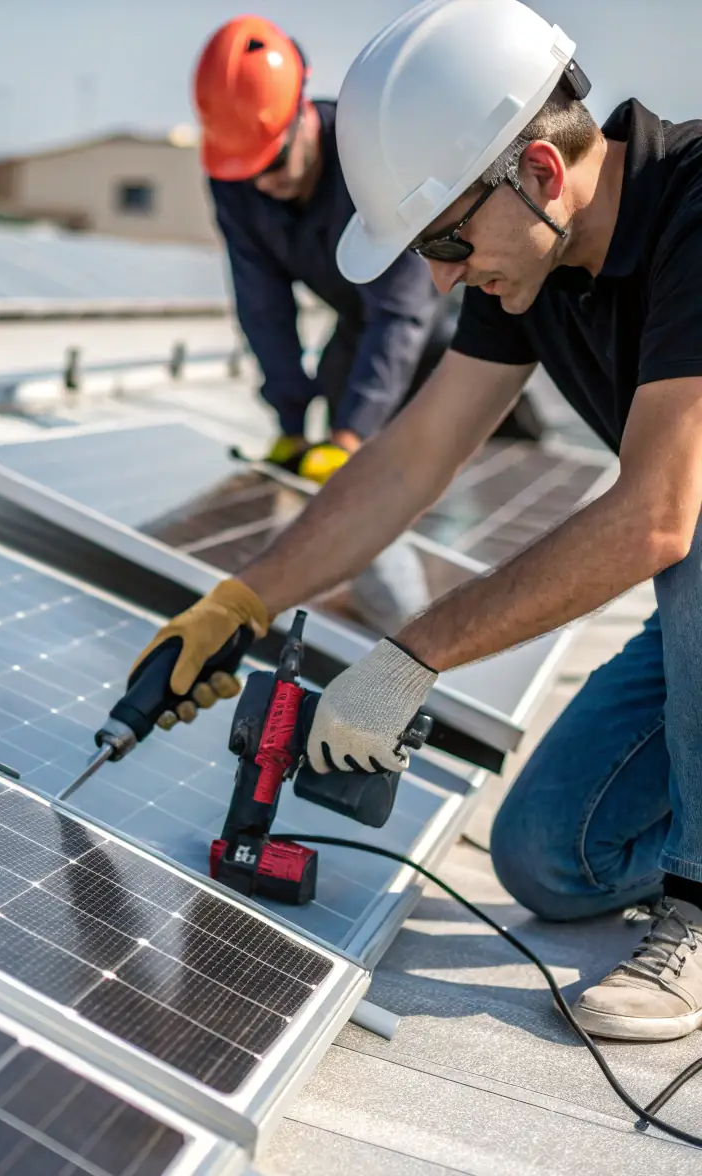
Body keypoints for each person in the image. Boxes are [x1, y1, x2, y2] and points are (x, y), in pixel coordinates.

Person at [133, 0, 702, 1043]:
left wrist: (411, 657)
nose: (437, 278)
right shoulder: (529, 264)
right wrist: (240, 600)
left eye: (444, 236)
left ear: (537, 169)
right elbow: (410, 461)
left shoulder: (700, 204)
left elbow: (655, 519)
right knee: (548, 855)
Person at [193, 15, 442, 634]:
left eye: (272, 162)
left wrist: (353, 432)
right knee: (328, 453)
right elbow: (261, 303)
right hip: (357, 326)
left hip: (443, 322)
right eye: (245, 171)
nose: (263, 184)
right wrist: (288, 418)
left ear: (302, 114)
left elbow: (402, 307)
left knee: (423, 459)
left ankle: (428, 620)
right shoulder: (238, 179)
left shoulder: (366, 153)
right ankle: (369, 604)